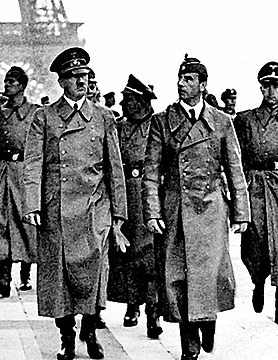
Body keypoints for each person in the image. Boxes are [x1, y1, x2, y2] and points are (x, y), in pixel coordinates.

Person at [142, 55, 250, 360]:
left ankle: (208, 321)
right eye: (180, 78)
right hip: (176, 209)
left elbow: (234, 169)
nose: (181, 84)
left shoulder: (221, 122)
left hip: (212, 209)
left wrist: (241, 213)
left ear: (203, 85)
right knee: (179, 279)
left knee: (209, 275)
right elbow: (151, 172)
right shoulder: (162, 121)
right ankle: (189, 346)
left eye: (189, 79)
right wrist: (152, 211)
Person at [23, 47, 128, 360]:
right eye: (74, 77)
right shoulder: (45, 117)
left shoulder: (104, 117)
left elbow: (115, 167)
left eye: (85, 76)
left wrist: (119, 215)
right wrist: (32, 205)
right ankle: (66, 336)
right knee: (59, 279)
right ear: (62, 81)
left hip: (94, 209)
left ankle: (91, 331)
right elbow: (33, 164)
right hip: (57, 210)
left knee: (94, 275)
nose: (82, 81)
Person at [107, 74, 163, 339]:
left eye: (128, 100)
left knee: (150, 255)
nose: (123, 104)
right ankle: (132, 304)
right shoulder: (118, 127)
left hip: (150, 194)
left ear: (142, 101)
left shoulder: (158, 126)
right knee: (126, 255)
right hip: (124, 194)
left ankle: (153, 309)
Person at [233, 62, 278, 321]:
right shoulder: (246, 120)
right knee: (255, 240)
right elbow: (235, 158)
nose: (272, 92)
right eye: (267, 85)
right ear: (260, 87)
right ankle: (258, 281)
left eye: (276, 86)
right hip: (255, 185)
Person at [0, 66, 38, 297]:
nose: (6, 85)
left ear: (22, 86)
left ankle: (25, 271)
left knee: (26, 221)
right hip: (3, 171)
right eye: (6, 81)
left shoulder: (36, 113)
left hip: (26, 172)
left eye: (11, 82)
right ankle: (4, 276)